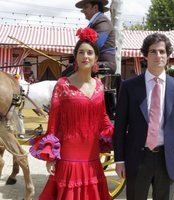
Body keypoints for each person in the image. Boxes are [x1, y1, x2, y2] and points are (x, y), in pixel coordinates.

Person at [29, 27, 113, 200]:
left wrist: (116, 135)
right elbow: (54, 121)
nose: (85, 56)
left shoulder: (99, 86)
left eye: (90, 53)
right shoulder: (62, 84)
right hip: (68, 154)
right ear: (75, 57)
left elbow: (103, 117)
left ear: (96, 58)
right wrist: (50, 155)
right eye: (81, 52)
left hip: (91, 154)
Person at [113, 33, 174, 200]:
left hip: (167, 159)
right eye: (153, 51)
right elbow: (119, 127)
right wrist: (119, 159)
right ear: (145, 55)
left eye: (162, 51)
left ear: (168, 55)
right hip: (137, 158)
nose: (158, 56)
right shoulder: (129, 87)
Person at [75, 0, 116, 74]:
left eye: (86, 7)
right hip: (96, 62)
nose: (83, 11)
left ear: (95, 8)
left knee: (69, 72)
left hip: (105, 64)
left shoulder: (103, 21)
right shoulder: (96, 21)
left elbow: (95, 44)